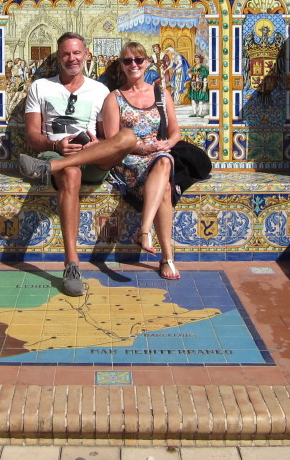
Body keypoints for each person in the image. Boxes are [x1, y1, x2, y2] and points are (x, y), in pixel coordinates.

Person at [19, 32, 137, 296]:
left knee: (127, 136)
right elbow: (32, 137)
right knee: (70, 172)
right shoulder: (41, 87)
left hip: (91, 158)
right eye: (65, 54)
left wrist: (97, 143)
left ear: (86, 55)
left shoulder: (100, 91)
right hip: (57, 155)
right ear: (59, 57)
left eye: (76, 53)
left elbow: (110, 136)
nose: (71, 58)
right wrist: (55, 146)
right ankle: (72, 263)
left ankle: (49, 170)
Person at [100, 42, 182, 280]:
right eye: (127, 61)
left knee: (165, 162)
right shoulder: (114, 99)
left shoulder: (161, 93)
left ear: (147, 63)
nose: (133, 65)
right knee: (165, 186)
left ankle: (145, 231)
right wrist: (143, 147)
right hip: (129, 161)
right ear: (121, 66)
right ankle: (166, 256)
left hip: (158, 155)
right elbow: (113, 139)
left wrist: (168, 144)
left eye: (138, 60)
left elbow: (176, 131)